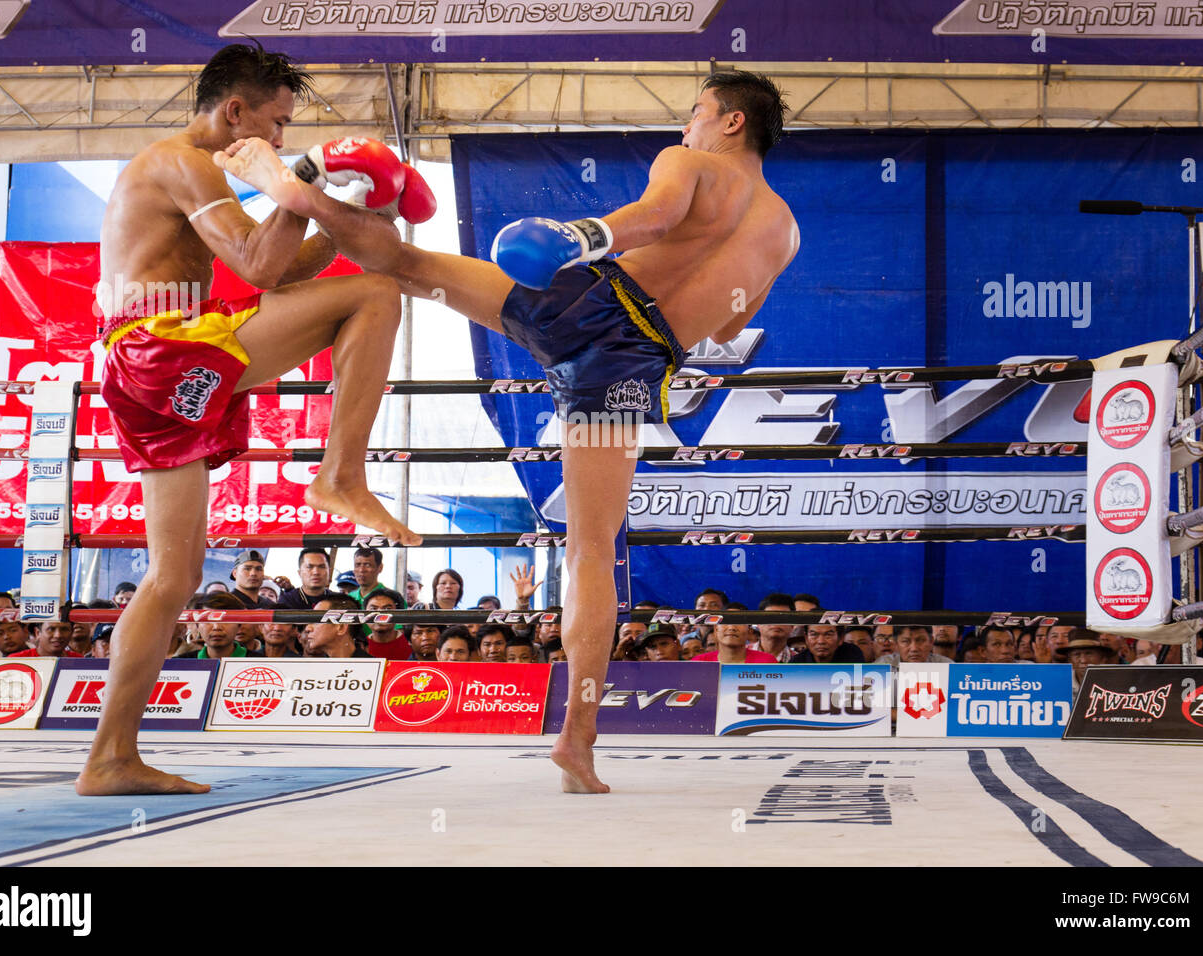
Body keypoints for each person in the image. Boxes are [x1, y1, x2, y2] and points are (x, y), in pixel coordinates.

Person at [220, 70, 798, 793]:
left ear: (731, 123)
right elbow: (733, 322)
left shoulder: (692, 162)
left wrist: (578, 235)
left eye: (697, 114)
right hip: (633, 361)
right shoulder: (785, 231)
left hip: (587, 299)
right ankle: (578, 744)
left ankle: (292, 188)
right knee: (591, 551)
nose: (687, 127)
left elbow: (650, 217)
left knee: (403, 265)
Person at [77, 43, 421, 797]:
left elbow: (284, 266)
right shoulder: (180, 159)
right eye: (278, 124)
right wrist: (301, 183)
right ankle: (340, 475)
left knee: (173, 577)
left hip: (153, 358)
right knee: (374, 296)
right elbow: (262, 267)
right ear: (236, 112)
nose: (284, 141)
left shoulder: (189, 173)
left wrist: (352, 216)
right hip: (162, 347)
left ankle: (108, 758)